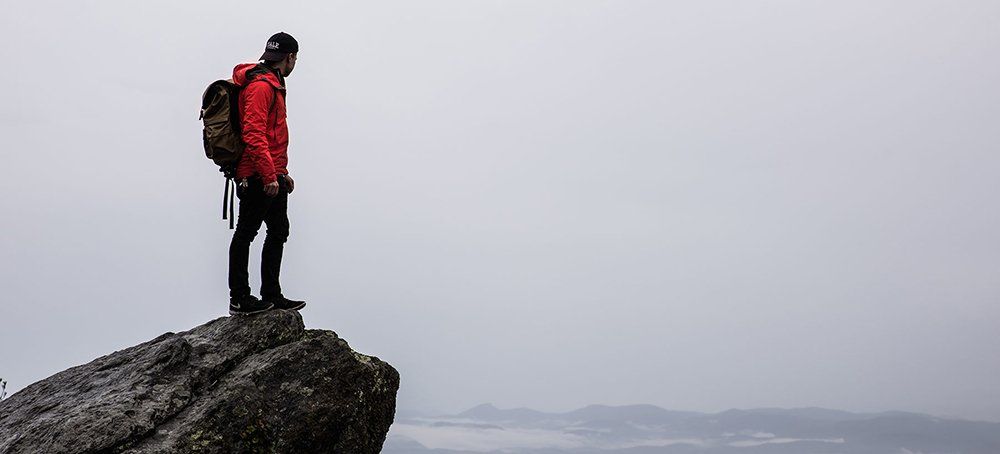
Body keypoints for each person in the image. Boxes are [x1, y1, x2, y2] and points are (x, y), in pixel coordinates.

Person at [228, 32, 306, 315]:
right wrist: (268, 174)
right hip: (256, 174)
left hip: (271, 172)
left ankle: (271, 294)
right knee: (246, 232)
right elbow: (253, 133)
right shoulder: (262, 86)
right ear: (290, 57)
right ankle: (239, 298)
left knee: (279, 230)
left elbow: (272, 135)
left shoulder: (273, 83)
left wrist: (281, 173)